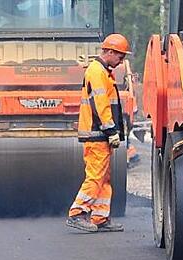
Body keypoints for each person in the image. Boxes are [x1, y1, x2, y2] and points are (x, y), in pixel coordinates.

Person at [66, 33, 131, 233]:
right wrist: (110, 129)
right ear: (110, 52)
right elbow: (100, 104)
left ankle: (99, 216)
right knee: (95, 176)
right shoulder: (96, 72)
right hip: (96, 134)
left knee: (103, 177)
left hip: (99, 134)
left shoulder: (103, 71)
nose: (121, 62)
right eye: (120, 57)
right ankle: (77, 213)